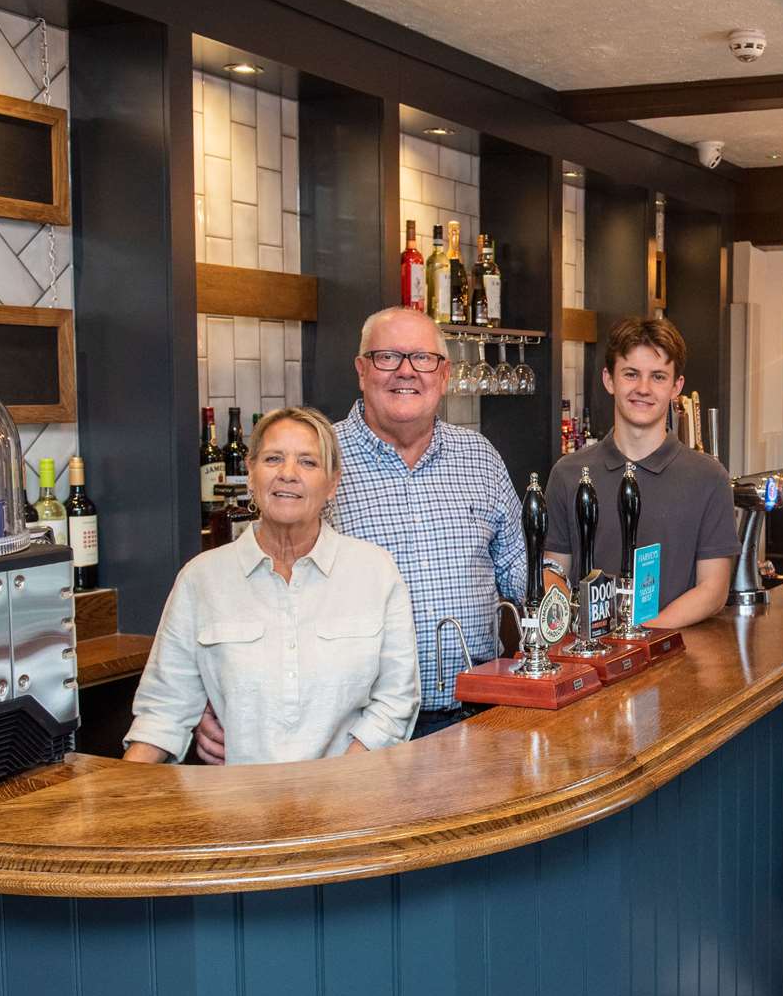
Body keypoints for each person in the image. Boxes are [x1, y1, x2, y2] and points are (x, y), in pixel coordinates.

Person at [194, 307, 524, 761]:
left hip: (480, 715)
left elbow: (519, 580)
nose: (406, 372)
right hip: (357, 737)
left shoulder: (480, 458)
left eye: (423, 359)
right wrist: (215, 696)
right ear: (361, 370)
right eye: (388, 357)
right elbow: (255, 590)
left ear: (444, 375)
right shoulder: (317, 460)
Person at [124, 407, 419, 764]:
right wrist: (118, 798)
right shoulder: (201, 579)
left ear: (333, 484)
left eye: (308, 462)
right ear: (250, 473)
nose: (288, 474)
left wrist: (340, 782)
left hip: (349, 802)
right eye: (273, 458)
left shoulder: (374, 572)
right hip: (238, 807)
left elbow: (395, 701)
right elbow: (163, 712)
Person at [542, 317, 737, 628]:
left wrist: (637, 638)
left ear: (676, 387)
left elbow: (713, 590)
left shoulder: (709, 478)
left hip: (676, 661)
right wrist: (584, 633)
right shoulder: (567, 474)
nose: (643, 389)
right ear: (609, 380)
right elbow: (553, 572)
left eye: (658, 377)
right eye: (631, 374)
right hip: (588, 661)